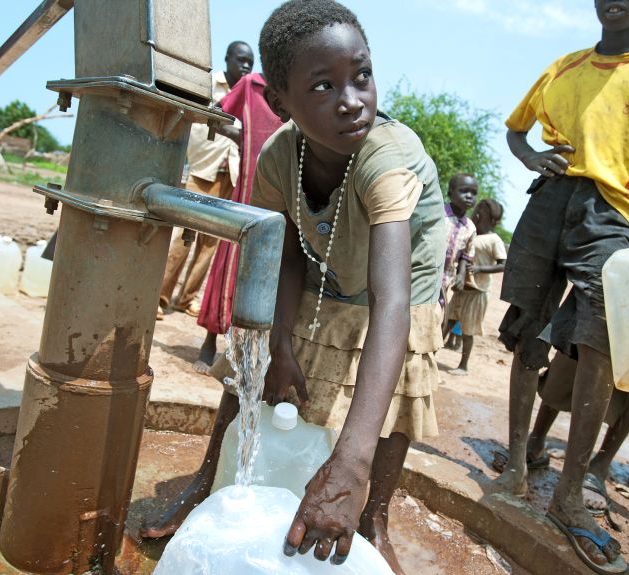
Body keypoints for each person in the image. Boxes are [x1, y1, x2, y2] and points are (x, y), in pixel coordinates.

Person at [142, 2, 447, 573]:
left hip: (402, 277)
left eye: (361, 75)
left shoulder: (389, 158)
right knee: (251, 355)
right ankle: (207, 481)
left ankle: (374, 517)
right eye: (324, 86)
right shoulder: (280, 155)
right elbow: (282, 259)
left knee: (396, 396)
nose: (352, 99)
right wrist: (279, 341)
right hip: (323, 264)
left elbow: (392, 303)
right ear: (280, 102)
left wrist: (349, 464)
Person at [495, 0, 629, 573]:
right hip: (548, 204)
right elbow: (515, 131)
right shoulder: (564, 66)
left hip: (612, 214)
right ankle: (515, 463)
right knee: (527, 330)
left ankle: (568, 493)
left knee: (600, 346)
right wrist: (533, 155)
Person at [157, 41, 253, 319]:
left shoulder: (249, 94)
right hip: (204, 168)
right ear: (228, 60)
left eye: (250, 62)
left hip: (231, 173)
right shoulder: (209, 85)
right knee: (183, 235)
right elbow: (198, 117)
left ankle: (185, 299)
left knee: (211, 243)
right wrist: (233, 134)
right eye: (241, 60)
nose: (246, 66)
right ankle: (159, 298)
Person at [194, 71, 283, 370]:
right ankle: (209, 340)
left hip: (282, 198)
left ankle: (246, 354)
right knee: (229, 262)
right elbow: (216, 115)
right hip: (246, 191)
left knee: (268, 272)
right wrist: (242, 137)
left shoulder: (301, 93)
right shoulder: (252, 85)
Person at [443, 198, 505, 376]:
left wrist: (479, 268)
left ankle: (463, 365)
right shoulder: (471, 232)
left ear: (492, 220)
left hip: (478, 292)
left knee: (468, 331)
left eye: (480, 214)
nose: (476, 215)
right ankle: (431, 356)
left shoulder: (494, 240)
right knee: (447, 323)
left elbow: (503, 264)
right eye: (476, 212)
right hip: (462, 289)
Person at [440, 174, 476, 340]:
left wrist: (461, 275)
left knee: (437, 315)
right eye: (464, 191)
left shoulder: (470, 227)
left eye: (473, 193)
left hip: (446, 280)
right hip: (422, 274)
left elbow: (466, 256)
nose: (469, 196)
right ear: (450, 192)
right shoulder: (438, 214)